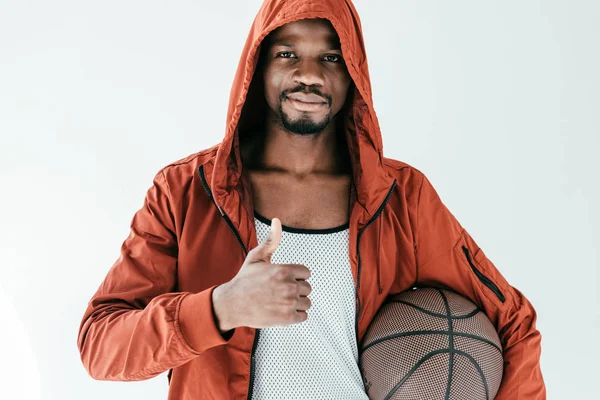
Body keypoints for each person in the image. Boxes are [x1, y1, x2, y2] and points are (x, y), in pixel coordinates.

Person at [77, 0, 546, 399]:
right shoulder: (186, 191)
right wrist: (221, 308)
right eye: (287, 54)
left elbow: (514, 324)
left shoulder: (401, 197)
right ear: (257, 68)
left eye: (331, 58)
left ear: (354, 72)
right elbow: (100, 345)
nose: (308, 74)